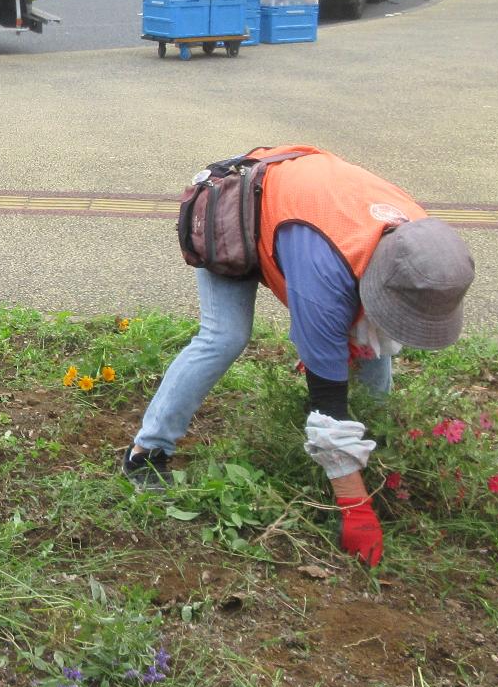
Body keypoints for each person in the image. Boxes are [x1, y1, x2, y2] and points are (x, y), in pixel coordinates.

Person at [120, 145, 475, 569]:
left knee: (372, 351)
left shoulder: (420, 242)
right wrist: (353, 506)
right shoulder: (325, 275)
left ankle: (375, 446)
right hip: (236, 208)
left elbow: (375, 331)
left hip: (299, 210)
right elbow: (328, 406)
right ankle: (147, 451)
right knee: (224, 336)